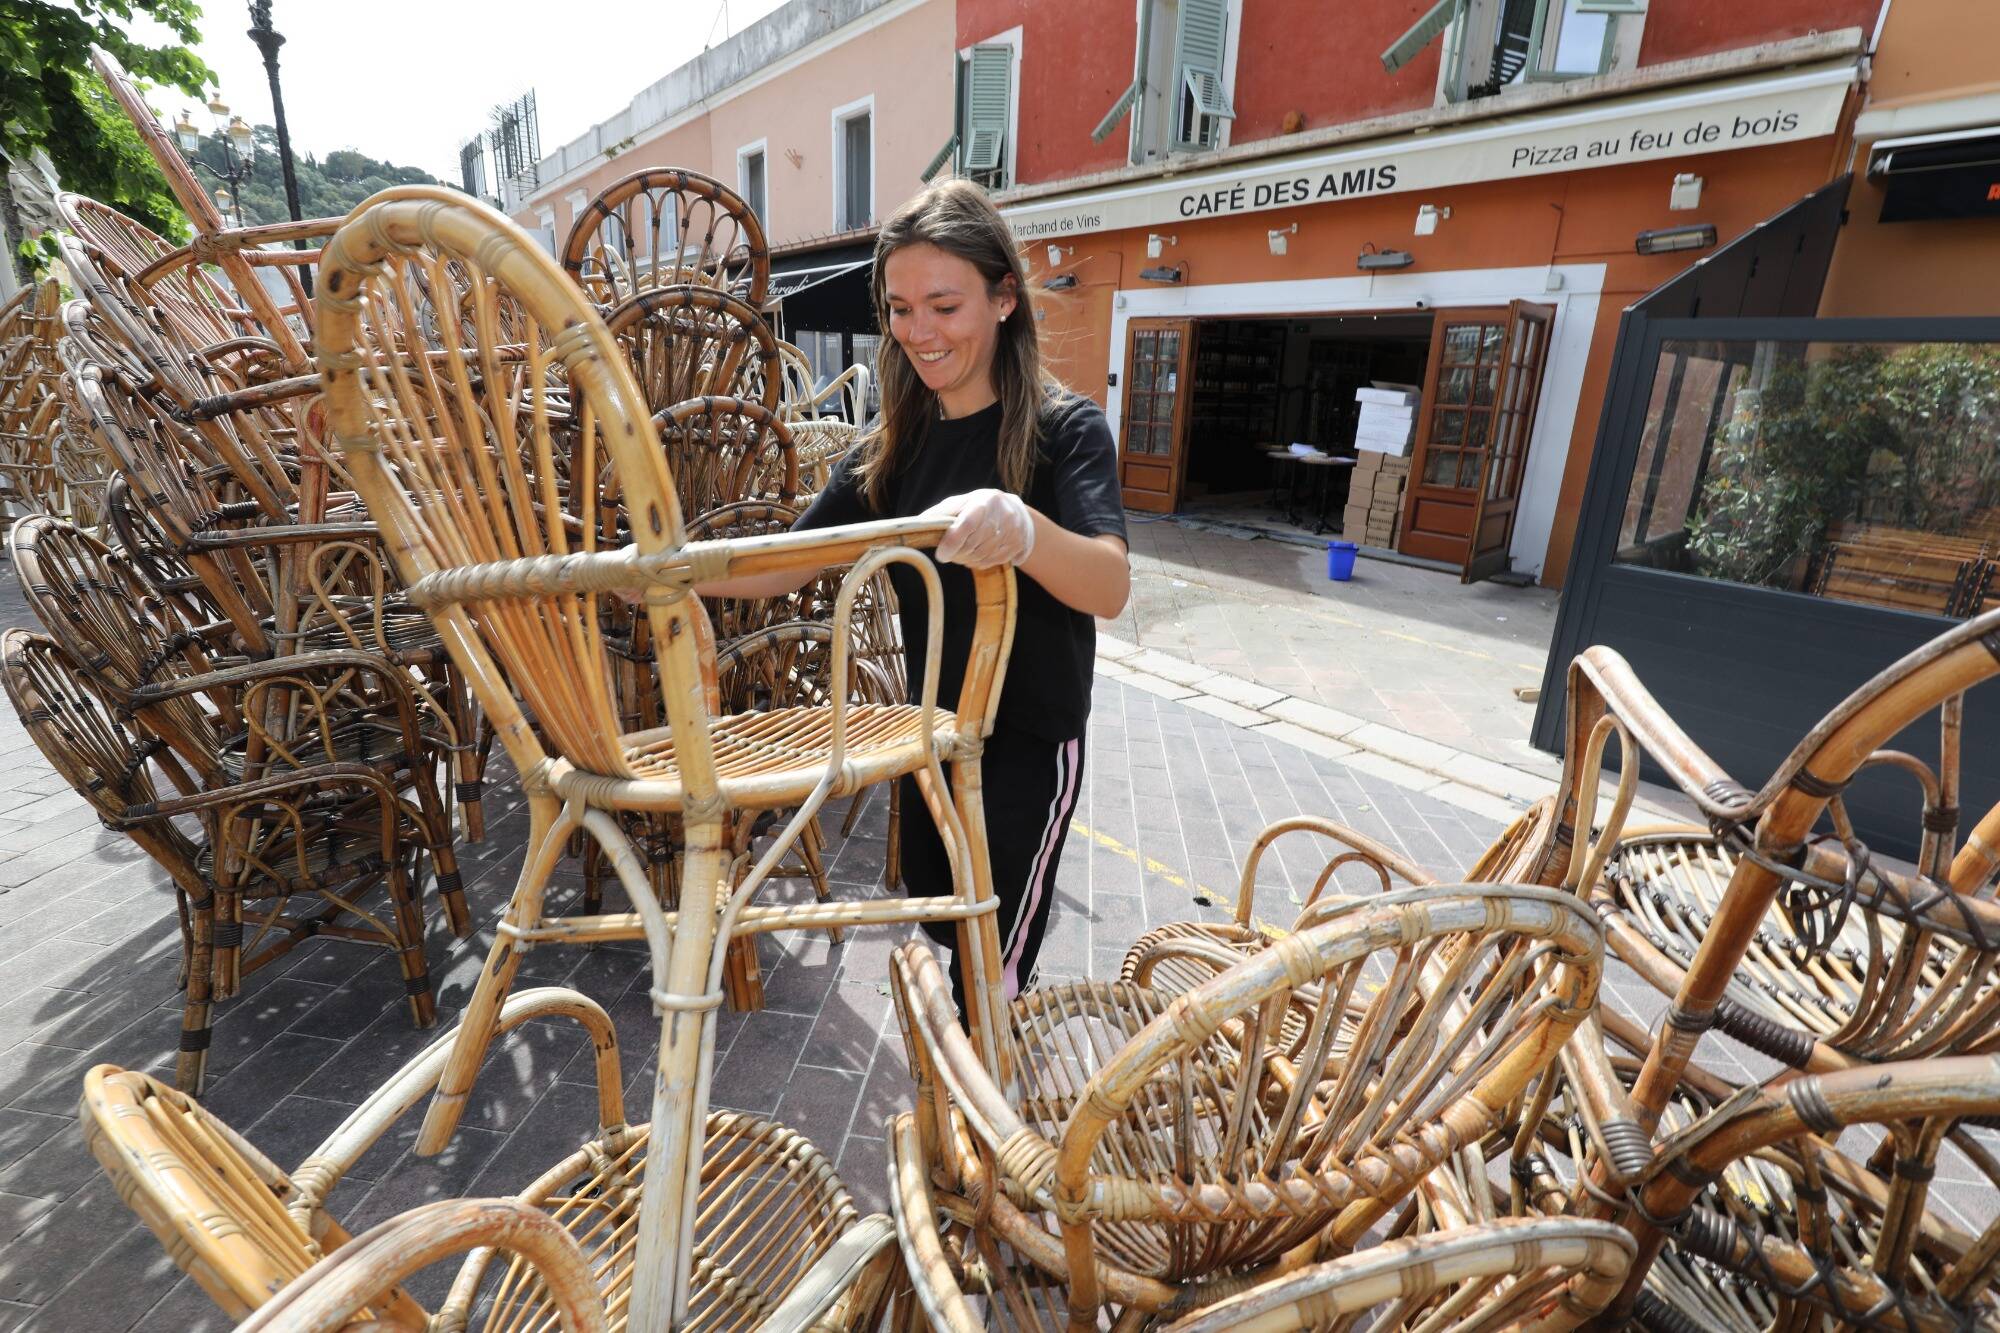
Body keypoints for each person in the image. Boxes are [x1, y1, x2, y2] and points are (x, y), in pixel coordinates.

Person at [700, 177, 1130, 1010]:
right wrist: (668, 567)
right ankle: (956, 1114)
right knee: (940, 932)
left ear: (1004, 297)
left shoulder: (1064, 430)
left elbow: (1109, 584)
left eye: (943, 305)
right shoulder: (892, 447)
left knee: (992, 971)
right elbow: (787, 561)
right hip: (927, 738)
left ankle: (989, 1126)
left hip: (1029, 742)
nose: (918, 334)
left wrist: (1026, 529)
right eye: (899, 310)